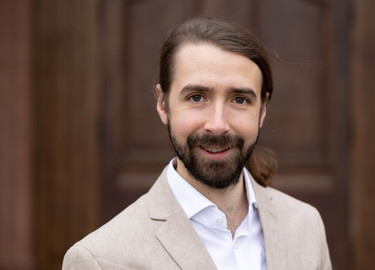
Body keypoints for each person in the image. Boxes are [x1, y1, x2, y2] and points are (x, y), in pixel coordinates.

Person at [63, 17, 331, 270]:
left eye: (239, 100)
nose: (217, 124)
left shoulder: (306, 225)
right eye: (196, 97)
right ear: (162, 103)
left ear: (262, 109)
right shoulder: (99, 260)